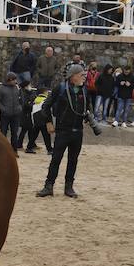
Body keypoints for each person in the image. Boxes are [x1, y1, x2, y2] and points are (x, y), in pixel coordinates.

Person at [37, 63, 96, 198]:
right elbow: (46, 106)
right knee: (56, 159)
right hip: (63, 130)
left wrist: (88, 117)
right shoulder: (61, 88)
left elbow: (89, 106)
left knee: (73, 160)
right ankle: (48, 186)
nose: (84, 78)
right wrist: (48, 122)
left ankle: (69, 187)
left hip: (78, 131)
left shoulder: (84, 90)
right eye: (81, 75)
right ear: (73, 76)